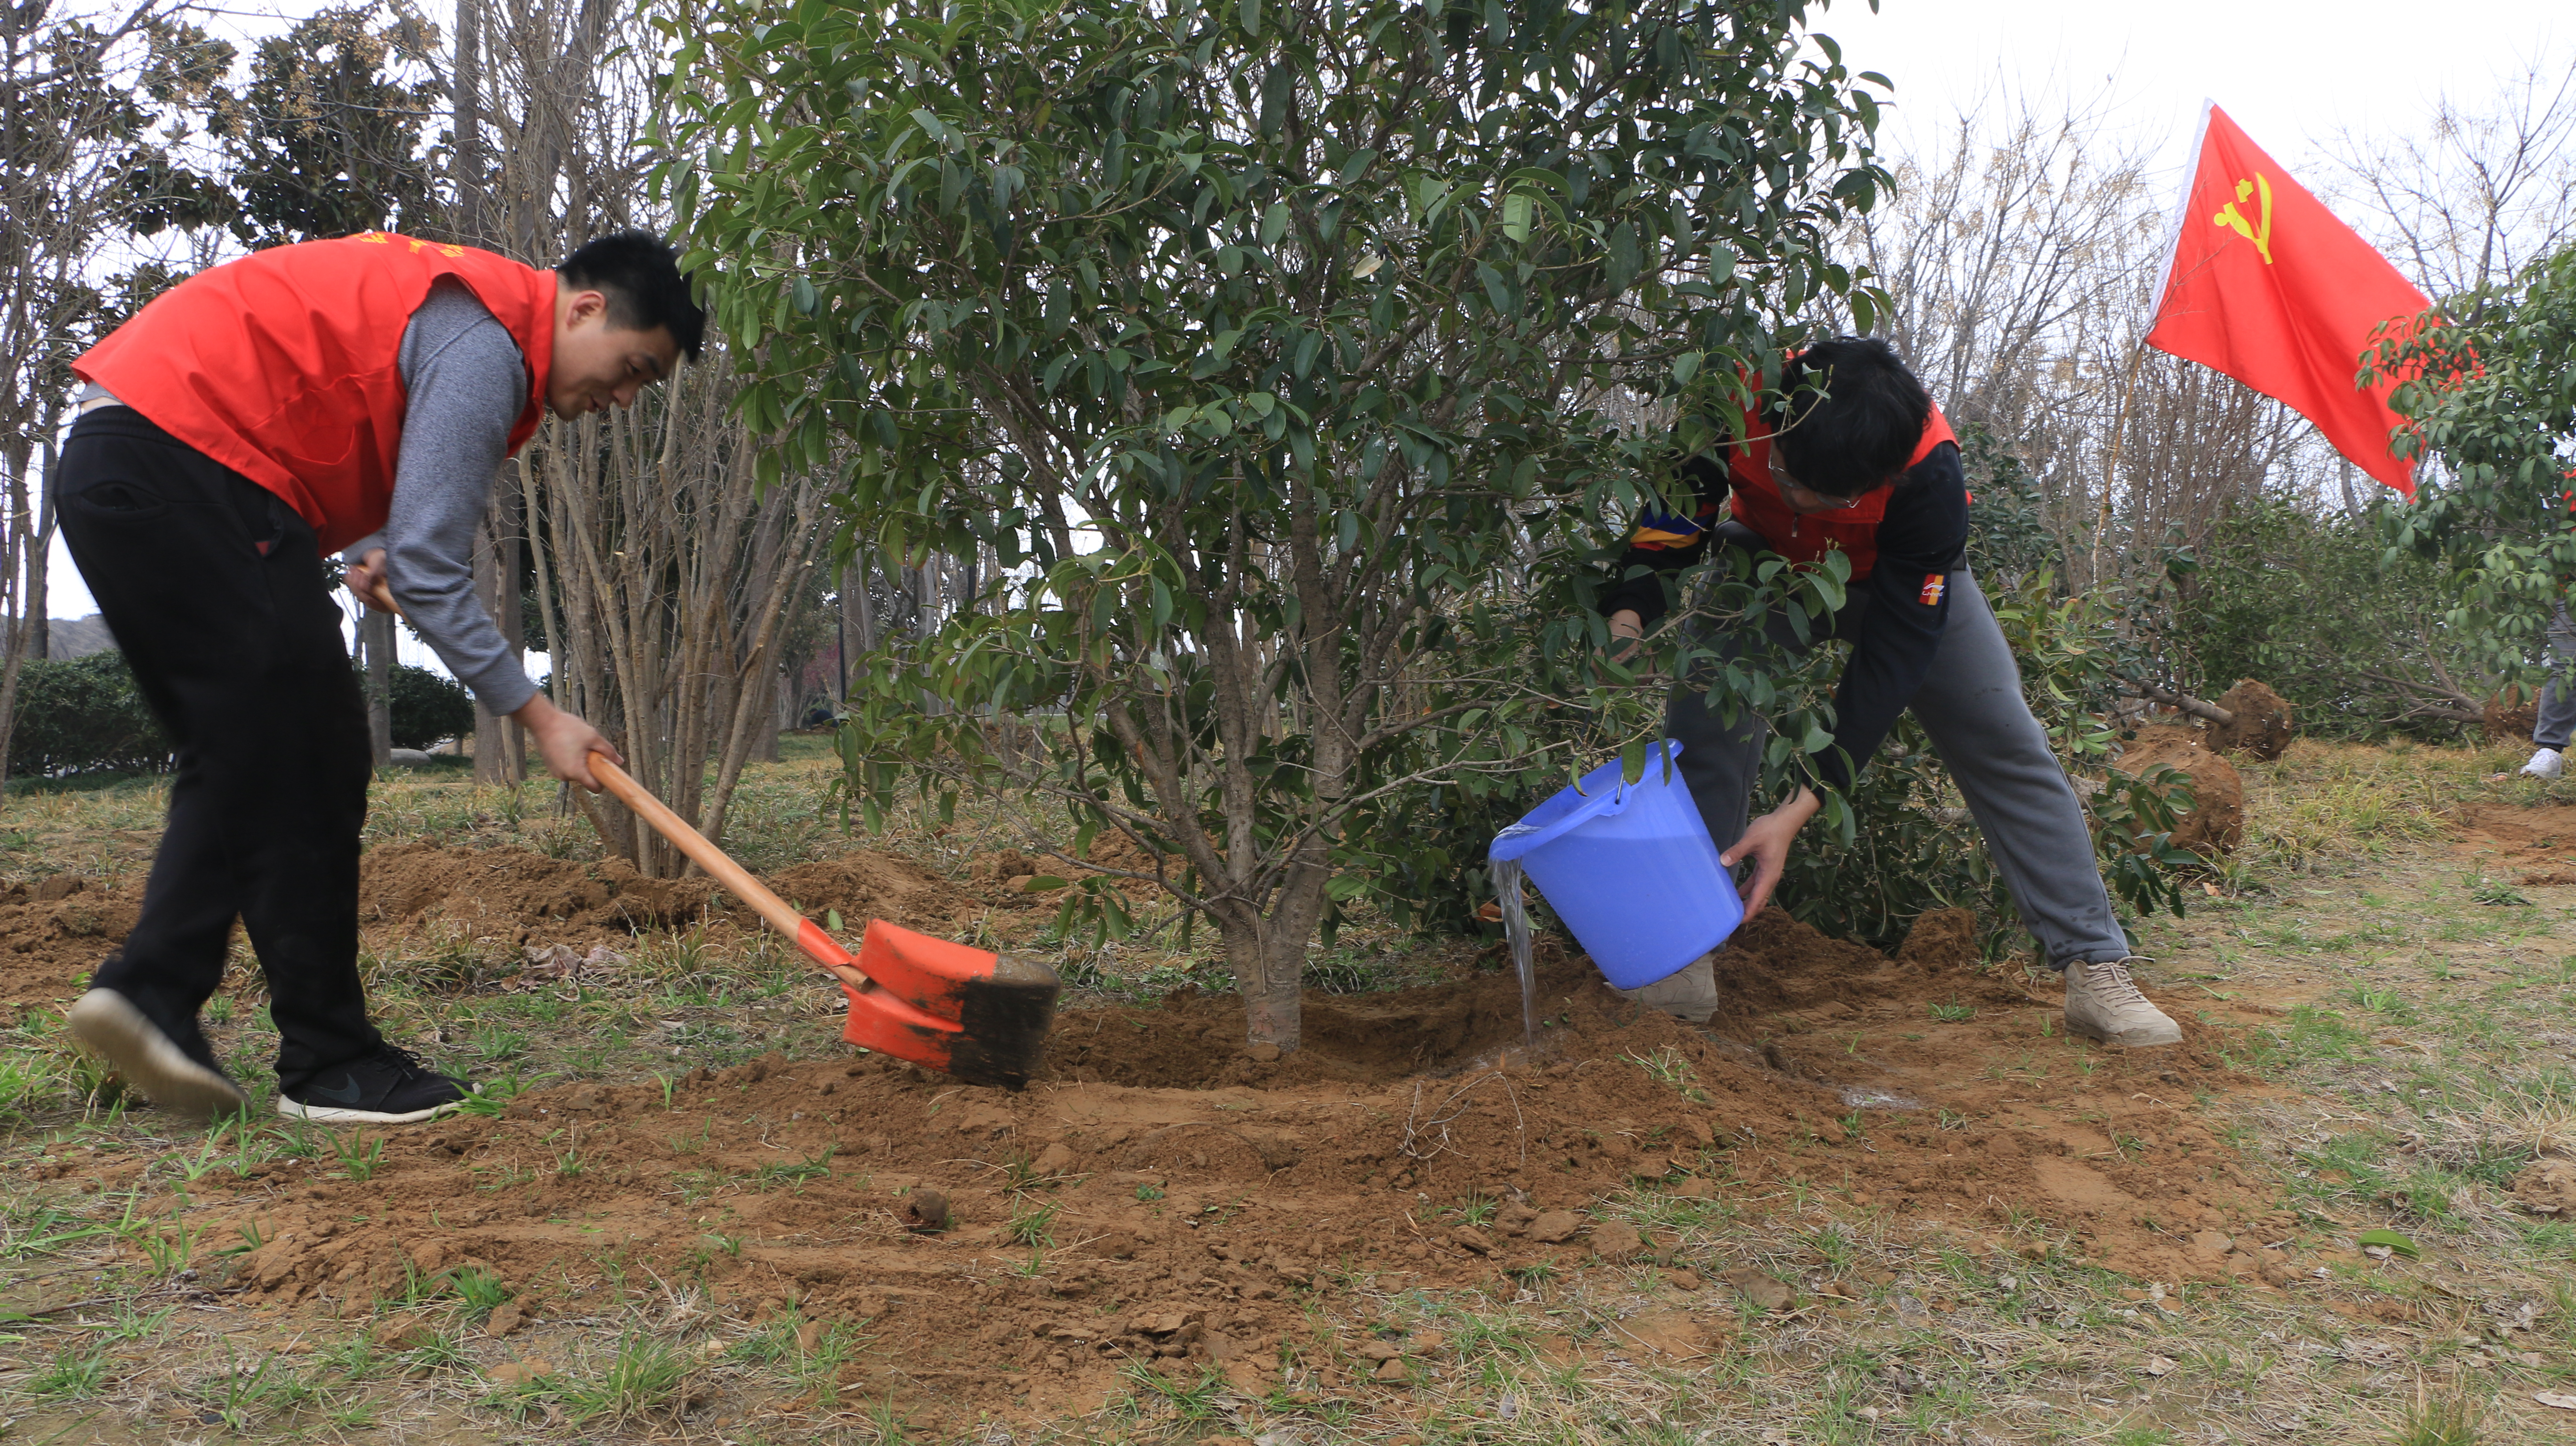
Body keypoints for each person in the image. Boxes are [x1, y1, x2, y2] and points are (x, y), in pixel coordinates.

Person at [56, 229, 702, 1124]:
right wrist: (539, 714)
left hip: (124, 464)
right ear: (585, 307)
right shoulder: (488, 345)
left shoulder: (462, 310)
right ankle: (327, 1062)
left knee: (252, 748)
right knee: (312, 754)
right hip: (185, 463)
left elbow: (336, 421)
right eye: (633, 367)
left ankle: (155, 993)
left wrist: (368, 546)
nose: (624, 398)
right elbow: (435, 572)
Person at [1595, 337, 2182, 1048]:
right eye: (1787, 476)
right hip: (1767, 566)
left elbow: (1894, 660)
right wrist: (1630, 607)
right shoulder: (1737, 393)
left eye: (1827, 496)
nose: (1802, 500)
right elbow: (1681, 508)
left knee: (2003, 737)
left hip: (1896, 583)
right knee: (1705, 720)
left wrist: (1803, 803)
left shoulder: (1930, 475)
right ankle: (1682, 957)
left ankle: (2095, 967)